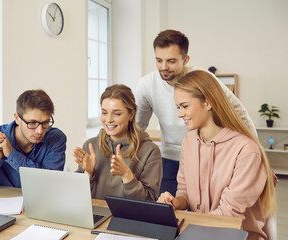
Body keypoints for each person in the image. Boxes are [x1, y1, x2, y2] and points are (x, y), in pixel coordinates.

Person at [135, 29, 257, 195]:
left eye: (171, 61)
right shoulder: (146, 85)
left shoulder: (204, 79)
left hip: (205, 155)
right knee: (167, 209)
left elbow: (238, 114)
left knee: (201, 209)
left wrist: (258, 155)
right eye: (158, 60)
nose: (164, 67)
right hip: (170, 157)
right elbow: (137, 126)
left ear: (185, 59)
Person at [157, 70, 276, 240]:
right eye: (178, 107)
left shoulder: (246, 150)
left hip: (239, 235)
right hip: (203, 231)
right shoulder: (188, 142)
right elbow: (184, 190)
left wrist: (189, 229)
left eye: (185, 106)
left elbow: (228, 214)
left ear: (208, 103)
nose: (179, 114)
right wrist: (176, 203)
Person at [74, 84, 162, 201]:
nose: (109, 119)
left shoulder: (150, 151)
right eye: (104, 112)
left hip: (128, 217)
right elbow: (76, 197)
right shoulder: (90, 146)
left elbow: (150, 201)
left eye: (117, 114)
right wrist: (88, 173)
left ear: (131, 114)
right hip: (96, 216)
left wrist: (127, 176)